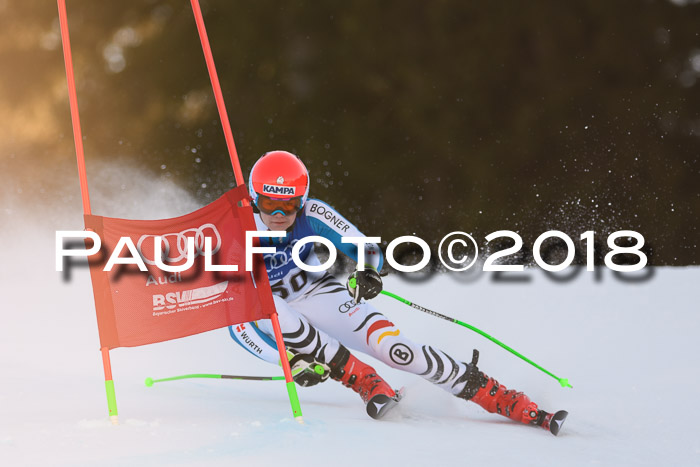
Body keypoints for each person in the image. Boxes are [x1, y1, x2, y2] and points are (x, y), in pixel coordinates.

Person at [230, 150, 567, 434]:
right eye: (267, 204)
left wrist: (368, 271)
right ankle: (364, 381)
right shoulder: (235, 229)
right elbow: (236, 321)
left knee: (395, 349)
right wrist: (285, 361)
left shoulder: (312, 213)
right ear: (254, 198)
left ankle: (499, 395)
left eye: (287, 207)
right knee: (267, 303)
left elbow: (365, 248)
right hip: (271, 316)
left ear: (300, 202)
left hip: (319, 294)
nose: (276, 215)